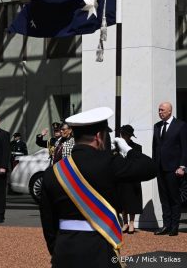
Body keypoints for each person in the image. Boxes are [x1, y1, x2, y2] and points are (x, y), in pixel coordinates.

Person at [40, 107, 157, 268]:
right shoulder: (109, 163)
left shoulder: (53, 172)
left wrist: (58, 250)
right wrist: (128, 150)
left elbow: (48, 223)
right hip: (101, 249)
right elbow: (150, 168)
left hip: (64, 251)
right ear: (99, 137)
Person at [152, 101, 187, 236]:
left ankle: (174, 227)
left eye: (162, 110)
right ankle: (166, 225)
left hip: (174, 168)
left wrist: (183, 166)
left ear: (170, 111)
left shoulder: (181, 125)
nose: (160, 112)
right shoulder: (157, 126)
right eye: (159, 110)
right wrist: (154, 166)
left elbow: (185, 148)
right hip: (160, 168)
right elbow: (155, 147)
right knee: (164, 198)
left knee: (174, 198)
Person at [116, 124, 143, 235]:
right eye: (122, 134)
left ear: (130, 136)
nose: (124, 136)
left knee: (133, 200)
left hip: (132, 177)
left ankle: (132, 223)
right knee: (122, 200)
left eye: (126, 135)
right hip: (121, 177)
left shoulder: (137, 147)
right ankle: (125, 223)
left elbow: (138, 163)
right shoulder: (117, 147)